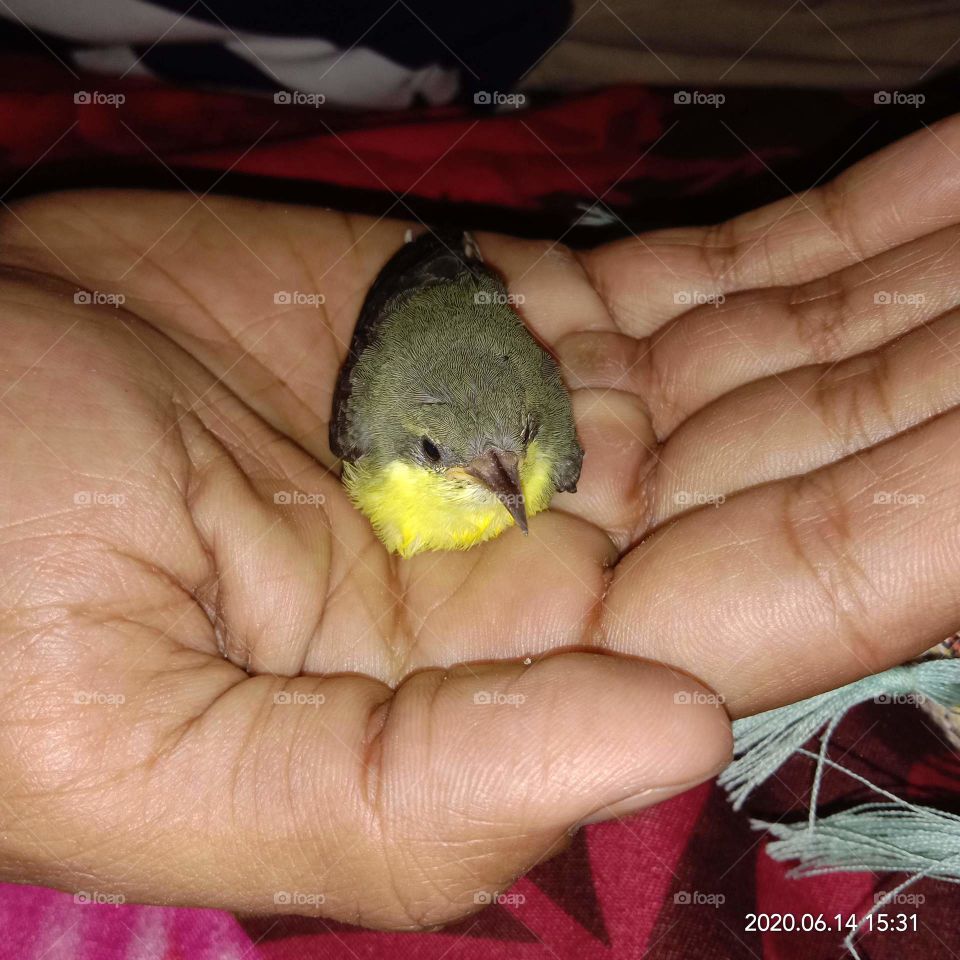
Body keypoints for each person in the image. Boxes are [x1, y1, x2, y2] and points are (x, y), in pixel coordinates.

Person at [0, 115, 957, 929]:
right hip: (431, 296)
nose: (506, 487)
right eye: (444, 463)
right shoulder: (372, 434)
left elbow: (517, 428)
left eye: (522, 451)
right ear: (398, 444)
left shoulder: (538, 432)